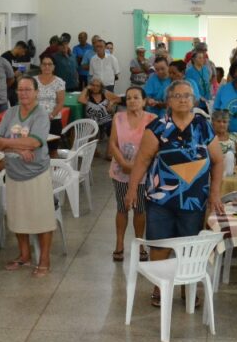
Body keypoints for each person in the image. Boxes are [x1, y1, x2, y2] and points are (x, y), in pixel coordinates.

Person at [125, 80, 224, 306]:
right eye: (177, 96)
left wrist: (215, 193)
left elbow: (218, 161)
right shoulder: (157, 128)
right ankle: (160, 287)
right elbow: (142, 161)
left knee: (189, 246)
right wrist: (132, 190)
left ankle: (187, 289)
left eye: (187, 96)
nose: (182, 100)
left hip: (194, 200)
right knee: (159, 243)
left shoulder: (203, 126)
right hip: (161, 199)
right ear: (168, 100)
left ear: (194, 100)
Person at [0, 76, 58, 277]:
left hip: (35, 173)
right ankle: (24, 255)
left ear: (36, 92)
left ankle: (44, 259)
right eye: (20, 90)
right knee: (17, 216)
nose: (23, 93)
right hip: (13, 172)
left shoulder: (40, 114)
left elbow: (35, 142)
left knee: (42, 216)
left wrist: (11, 144)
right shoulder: (11, 112)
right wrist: (18, 148)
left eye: (27, 89)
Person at [109, 87, 156, 261]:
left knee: (140, 210)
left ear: (144, 101)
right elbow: (113, 143)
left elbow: (155, 147)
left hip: (144, 172)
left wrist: (137, 166)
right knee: (122, 208)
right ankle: (119, 243)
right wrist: (123, 163)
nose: (132, 101)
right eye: (128, 98)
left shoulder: (152, 119)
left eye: (136, 97)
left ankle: (140, 243)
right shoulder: (118, 118)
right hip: (121, 171)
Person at [79, 77, 120, 156]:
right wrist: (86, 88)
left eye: (97, 86)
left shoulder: (105, 93)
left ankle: (109, 153)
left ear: (101, 87)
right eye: (93, 85)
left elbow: (118, 99)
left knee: (113, 129)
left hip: (105, 118)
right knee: (90, 128)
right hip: (92, 119)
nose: (95, 87)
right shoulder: (87, 94)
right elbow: (80, 99)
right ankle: (93, 151)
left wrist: (111, 103)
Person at [36, 54, 67, 143]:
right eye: (44, 64)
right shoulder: (32, 81)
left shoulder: (59, 82)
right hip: (36, 120)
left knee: (53, 150)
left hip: (54, 119)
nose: (47, 66)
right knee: (35, 148)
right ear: (40, 66)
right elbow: (29, 100)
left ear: (54, 67)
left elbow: (60, 102)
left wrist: (51, 116)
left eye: (50, 64)